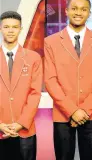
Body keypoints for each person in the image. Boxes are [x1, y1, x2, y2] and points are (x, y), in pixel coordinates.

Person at [44, 0, 92, 160]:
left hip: (90, 112)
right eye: (74, 8)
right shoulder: (51, 41)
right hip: (63, 112)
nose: (78, 12)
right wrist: (72, 110)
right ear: (66, 11)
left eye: (83, 9)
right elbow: (50, 80)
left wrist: (84, 110)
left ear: (89, 13)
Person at [0, 11, 42, 160]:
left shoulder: (33, 58)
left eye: (14, 27)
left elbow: (35, 94)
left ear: (20, 29)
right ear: (0, 28)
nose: (10, 30)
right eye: (6, 27)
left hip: (25, 129)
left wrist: (20, 123)